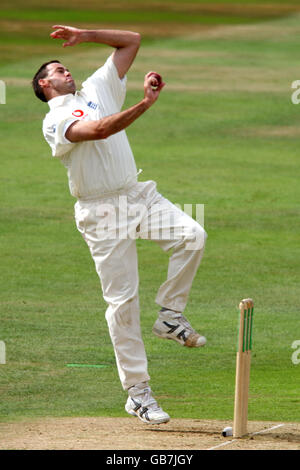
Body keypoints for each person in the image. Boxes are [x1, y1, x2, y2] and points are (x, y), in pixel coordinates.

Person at [32, 25, 207, 425]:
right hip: (101, 211)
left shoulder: (97, 88)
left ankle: (170, 317)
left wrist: (85, 34)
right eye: (58, 70)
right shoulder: (55, 120)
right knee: (122, 302)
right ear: (45, 84)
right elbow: (99, 130)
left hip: (137, 194)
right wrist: (145, 104)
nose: (66, 71)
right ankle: (138, 394)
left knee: (193, 235)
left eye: (66, 66)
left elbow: (132, 39)